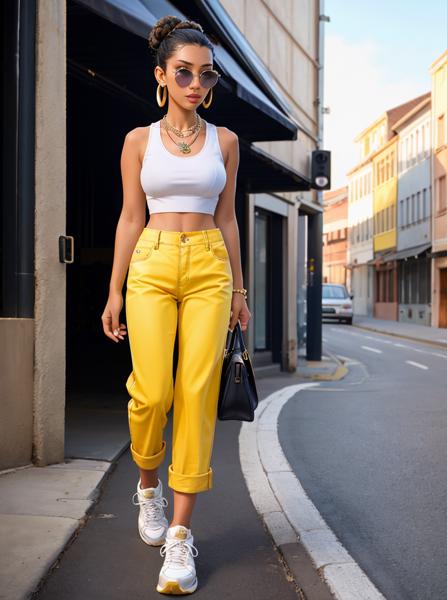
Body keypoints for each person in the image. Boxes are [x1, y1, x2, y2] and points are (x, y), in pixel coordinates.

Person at [101, 14, 252, 595]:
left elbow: (229, 219)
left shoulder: (227, 142)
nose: (196, 84)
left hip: (211, 265)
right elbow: (129, 217)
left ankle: (181, 541)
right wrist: (114, 289)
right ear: (161, 75)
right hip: (152, 262)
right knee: (153, 391)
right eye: (184, 73)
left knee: (196, 391)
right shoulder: (137, 141)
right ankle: (147, 488)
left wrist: (240, 291)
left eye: (205, 76)